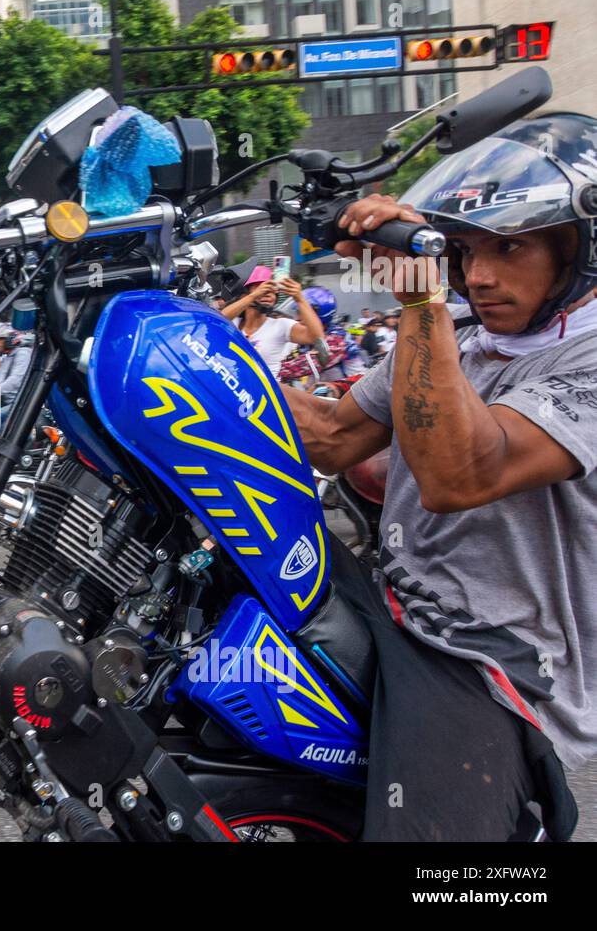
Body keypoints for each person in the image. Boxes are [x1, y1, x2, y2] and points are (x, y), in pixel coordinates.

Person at [279, 112, 597, 841]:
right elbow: (333, 439)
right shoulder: (464, 333)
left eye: (509, 247)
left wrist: (421, 303)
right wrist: (202, 367)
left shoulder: (582, 358)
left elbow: (461, 472)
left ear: (579, 248)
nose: (478, 274)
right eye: (463, 251)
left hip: (494, 656)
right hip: (389, 598)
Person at [221, 266, 326, 378]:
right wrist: (253, 296)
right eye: (262, 288)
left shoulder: (281, 326)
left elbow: (316, 337)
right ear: (245, 294)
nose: (269, 294)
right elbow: (218, 318)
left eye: (273, 291)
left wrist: (299, 298)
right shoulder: (233, 322)